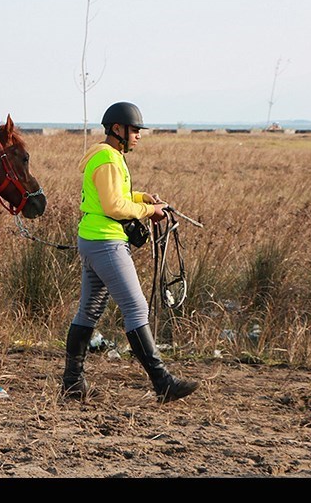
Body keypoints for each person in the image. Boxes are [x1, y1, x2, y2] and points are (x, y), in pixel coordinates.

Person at [62, 101, 199, 403]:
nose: (139, 134)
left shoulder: (108, 156)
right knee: (136, 309)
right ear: (117, 129)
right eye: (135, 129)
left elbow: (112, 197)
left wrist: (140, 197)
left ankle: (72, 383)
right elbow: (113, 207)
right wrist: (149, 210)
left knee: (89, 310)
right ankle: (162, 381)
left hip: (93, 239)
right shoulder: (109, 159)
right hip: (107, 242)